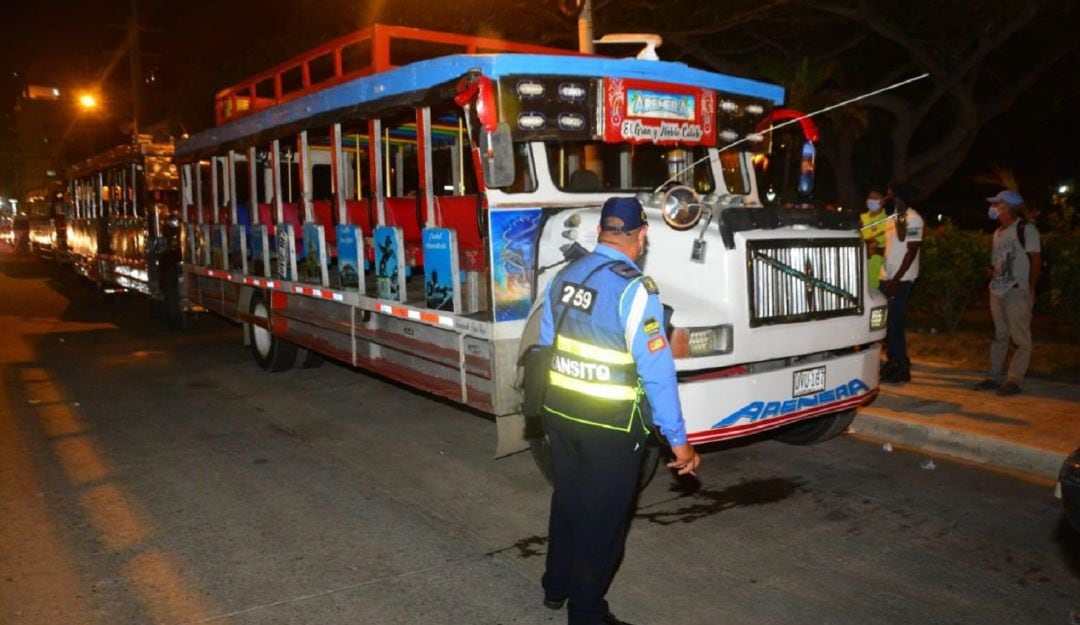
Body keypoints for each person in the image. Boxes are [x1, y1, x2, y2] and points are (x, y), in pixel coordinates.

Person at [537, 196, 700, 625]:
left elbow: (546, 343)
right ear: (641, 236)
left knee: (568, 499)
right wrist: (678, 442)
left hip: (561, 411)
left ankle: (555, 585)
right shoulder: (635, 290)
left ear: (600, 232)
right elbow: (657, 373)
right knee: (603, 520)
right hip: (610, 423)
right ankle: (587, 612)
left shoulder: (563, 277)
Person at [973, 190, 1041, 396]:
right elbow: (996, 263)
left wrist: (1030, 286)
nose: (993, 208)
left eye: (997, 203)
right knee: (1000, 335)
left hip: (1017, 291)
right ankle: (994, 377)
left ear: (1007, 207)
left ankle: (1014, 380)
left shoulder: (1026, 229)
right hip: (997, 291)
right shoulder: (998, 233)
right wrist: (992, 273)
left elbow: (1036, 260)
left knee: (1020, 339)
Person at [879, 184, 924, 383]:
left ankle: (902, 366)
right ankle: (894, 361)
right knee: (887, 324)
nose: (885, 198)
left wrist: (896, 280)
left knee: (895, 323)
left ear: (898, 198)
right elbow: (895, 246)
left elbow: (911, 250)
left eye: (889, 195)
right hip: (887, 276)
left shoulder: (914, 219)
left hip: (901, 279)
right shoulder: (893, 218)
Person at [860, 187, 888, 290]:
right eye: (870, 197)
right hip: (859, 271)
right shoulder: (861, 218)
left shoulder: (887, 222)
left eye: (875, 198)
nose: (871, 200)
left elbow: (873, 243)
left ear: (883, 201)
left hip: (876, 275)